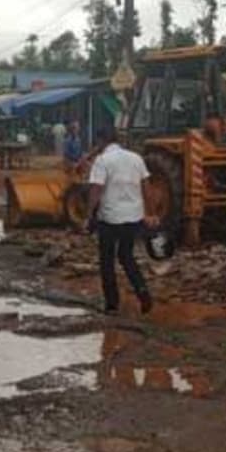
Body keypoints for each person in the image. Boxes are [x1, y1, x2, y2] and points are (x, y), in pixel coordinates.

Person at [84, 128, 153, 316]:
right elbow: (146, 187)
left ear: (101, 141)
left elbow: (96, 189)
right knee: (126, 256)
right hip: (134, 217)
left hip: (110, 218)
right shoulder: (136, 158)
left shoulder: (102, 161)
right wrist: (150, 212)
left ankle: (112, 305)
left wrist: (89, 215)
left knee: (107, 261)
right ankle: (142, 291)